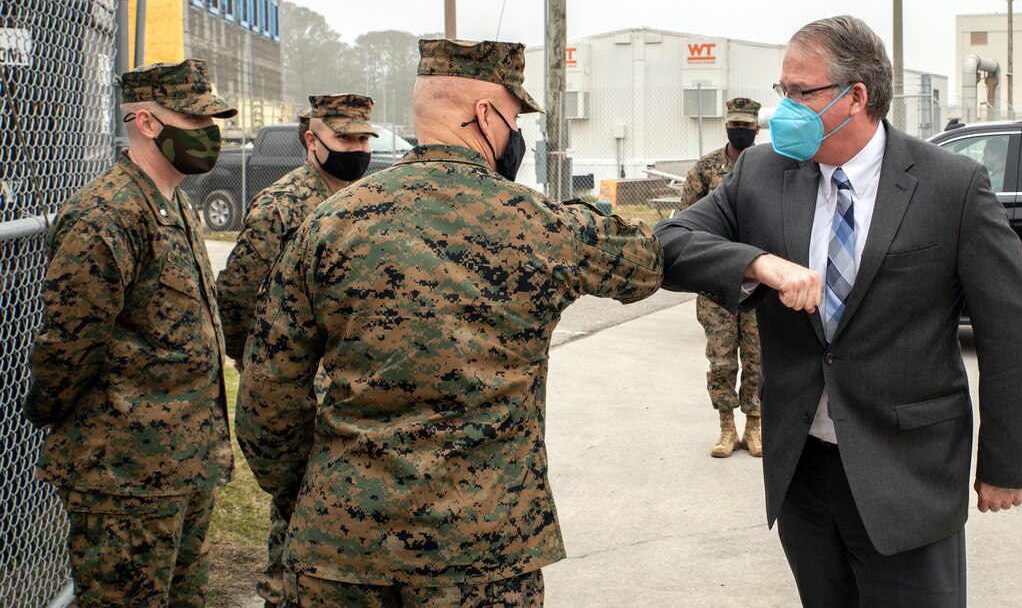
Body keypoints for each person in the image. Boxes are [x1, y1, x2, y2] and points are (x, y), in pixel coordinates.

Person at [235, 38, 663, 607]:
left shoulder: (327, 224)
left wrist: (311, 491)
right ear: (485, 116)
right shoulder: (541, 225)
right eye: (514, 119)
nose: (517, 137)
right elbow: (645, 264)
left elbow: (268, 397)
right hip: (482, 553)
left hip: (342, 549)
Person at [656, 16, 1022, 606]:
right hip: (802, 470)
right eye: (780, 91)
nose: (782, 107)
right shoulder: (761, 174)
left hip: (907, 471)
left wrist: (1006, 460)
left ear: (855, 96)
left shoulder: (951, 185)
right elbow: (670, 239)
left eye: (799, 93)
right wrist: (758, 262)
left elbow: (1012, 328)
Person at [23, 59, 236, 607]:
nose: (208, 135)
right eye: (194, 121)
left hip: (182, 468)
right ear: (145, 122)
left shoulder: (175, 204)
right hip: (123, 479)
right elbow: (68, 348)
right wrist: (56, 412)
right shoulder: (107, 215)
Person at [216, 93, 376, 607]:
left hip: (350, 384)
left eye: (362, 139)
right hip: (297, 388)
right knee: (296, 516)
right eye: (344, 138)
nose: (356, 148)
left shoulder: (369, 200)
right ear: (312, 140)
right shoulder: (281, 207)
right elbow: (238, 293)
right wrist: (251, 356)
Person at [681, 97, 764, 458]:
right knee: (721, 358)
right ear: (727, 126)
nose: (741, 131)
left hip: (760, 280)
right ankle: (727, 427)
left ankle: (756, 426)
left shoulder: (770, 167)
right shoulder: (704, 169)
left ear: (756, 128)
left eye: (747, 126)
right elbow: (686, 224)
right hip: (717, 280)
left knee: (758, 357)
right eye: (736, 125)